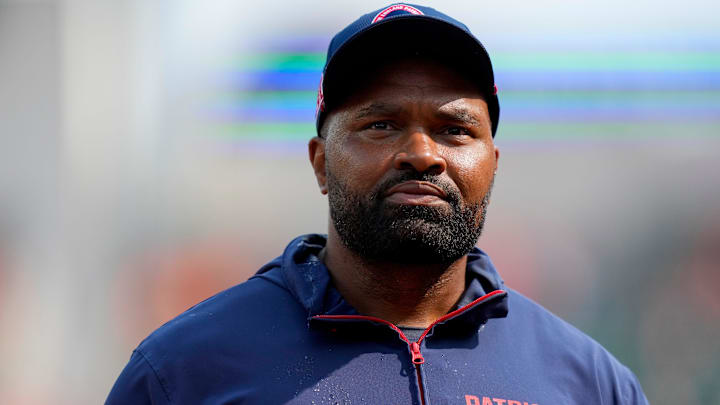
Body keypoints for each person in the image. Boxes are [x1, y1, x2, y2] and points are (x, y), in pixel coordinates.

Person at [106, 4, 649, 404]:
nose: (421, 154)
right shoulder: (184, 372)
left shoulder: (588, 381)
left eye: (455, 129)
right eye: (381, 125)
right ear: (320, 162)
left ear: (493, 162)